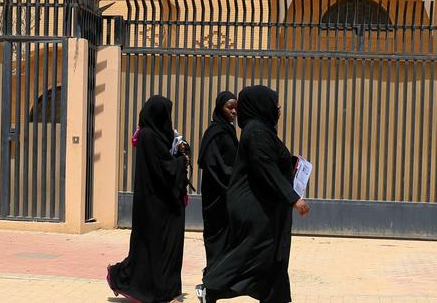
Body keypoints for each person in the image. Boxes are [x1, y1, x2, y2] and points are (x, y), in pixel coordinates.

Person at [196, 85, 310, 303]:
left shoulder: (261, 130)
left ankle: (276, 298)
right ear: (261, 105)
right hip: (256, 208)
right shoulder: (256, 130)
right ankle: (212, 288)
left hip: (264, 206)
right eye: (274, 105)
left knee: (271, 259)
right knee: (255, 255)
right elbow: (264, 166)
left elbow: (271, 160)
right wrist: (293, 197)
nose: (277, 110)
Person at [107, 95, 189, 303]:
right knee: (150, 248)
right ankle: (127, 279)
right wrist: (181, 161)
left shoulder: (160, 135)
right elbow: (164, 169)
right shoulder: (147, 136)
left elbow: (167, 161)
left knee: (166, 248)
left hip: (165, 203)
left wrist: (181, 151)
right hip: (154, 204)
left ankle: (165, 290)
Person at [198, 91, 238, 273]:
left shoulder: (228, 130)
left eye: (236, 108)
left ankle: (222, 276)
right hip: (216, 194)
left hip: (228, 193)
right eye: (229, 107)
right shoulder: (215, 132)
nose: (234, 112)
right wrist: (232, 180)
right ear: (220, 108)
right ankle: (213, 276)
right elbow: (214, 165)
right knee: (216, 235)